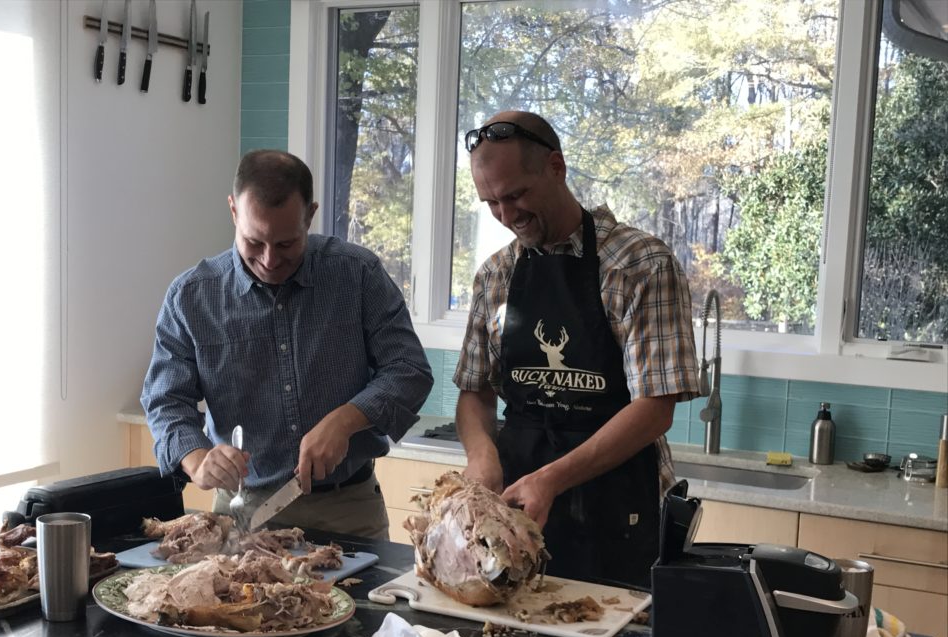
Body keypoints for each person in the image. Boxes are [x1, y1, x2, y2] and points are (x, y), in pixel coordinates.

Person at [454, 111, 699, 587]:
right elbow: (475, 392)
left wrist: (552, 479)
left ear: (556, 167)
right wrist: (482, 457)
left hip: (616, 504)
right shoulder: (495, 275)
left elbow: (655, 408)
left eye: (517, 195)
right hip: (515, 505)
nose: (507, 216)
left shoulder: (638, 264)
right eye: (491, 204)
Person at [141, 150, 433, 539]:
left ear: (309, 216)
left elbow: (409, 370)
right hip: (242, 511)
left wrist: (346, 420)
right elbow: (165, 400)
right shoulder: (192, 297)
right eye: (254, 241)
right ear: (233, 211)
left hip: (348, 509)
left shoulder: (358, 275)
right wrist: (196, 459)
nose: (269, 259)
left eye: (285, 243)